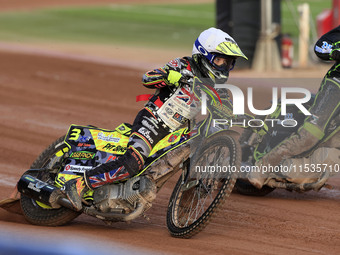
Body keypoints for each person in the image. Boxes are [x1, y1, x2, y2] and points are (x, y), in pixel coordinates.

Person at [62, 27, 248, 211]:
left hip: (176, 134)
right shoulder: (184, 65)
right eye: (220, 60)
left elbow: (228, 112)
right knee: (132, 162)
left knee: (160, 167)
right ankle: (78, 184)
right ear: (204, 54)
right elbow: (147, 78)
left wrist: (249, 121)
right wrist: (168, 76)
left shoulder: (219, 90)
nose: (224, 66)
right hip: (152, 121)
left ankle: (129, 195)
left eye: (229, 62)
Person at [248, 26, 340, 189]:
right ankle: (263, 167)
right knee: (311, 134)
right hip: (336, 85)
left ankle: (313, 166)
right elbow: (320, 46)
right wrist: (335, 51)